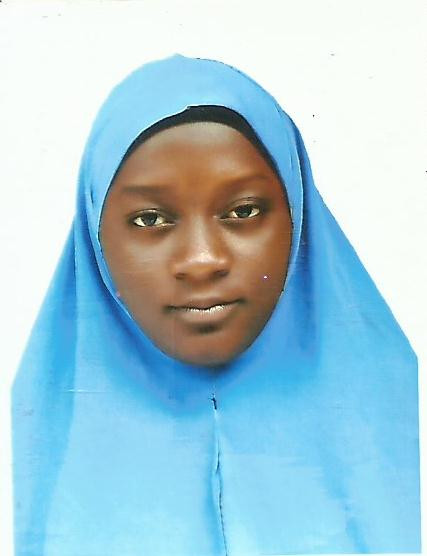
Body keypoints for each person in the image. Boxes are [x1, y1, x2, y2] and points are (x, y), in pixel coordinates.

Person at [12, 55, 420, 555]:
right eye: (149, 220)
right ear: (95, 233)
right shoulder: (25, 441)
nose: (202, 260)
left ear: (297, 216)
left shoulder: (406, 412)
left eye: (243, 211)